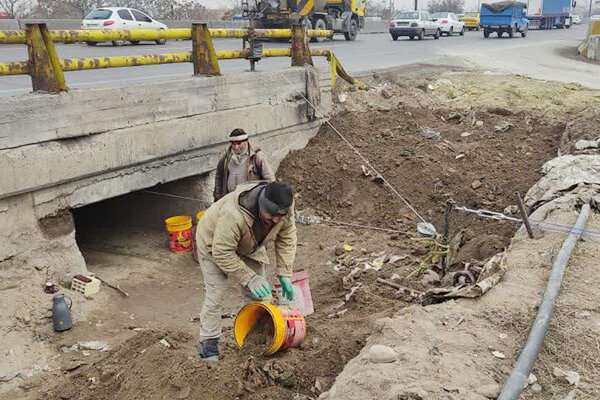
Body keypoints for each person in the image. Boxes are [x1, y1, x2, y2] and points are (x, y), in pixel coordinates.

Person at [195, 180, 297, 362]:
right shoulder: (232, 215)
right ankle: (208, 344)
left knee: (261, 297)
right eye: (271, 216)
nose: (276, 221)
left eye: (279, 217)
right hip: (214, 244)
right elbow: (222, 252)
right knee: (216, 294)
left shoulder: (284, 208)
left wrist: (285, 273)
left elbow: (287, 237)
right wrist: (248, 278)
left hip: (250, 244)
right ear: (261, 205)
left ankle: (257, 337)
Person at [213, 128, 275, 202]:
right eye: (233, 144)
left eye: (239, 144)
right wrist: (218, 196)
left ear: (246, 142)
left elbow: (270, 180)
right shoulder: (226, 157)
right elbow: (219, 176)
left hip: (250, 202)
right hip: (231, 200)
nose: (236, 147)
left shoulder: (257, 156)